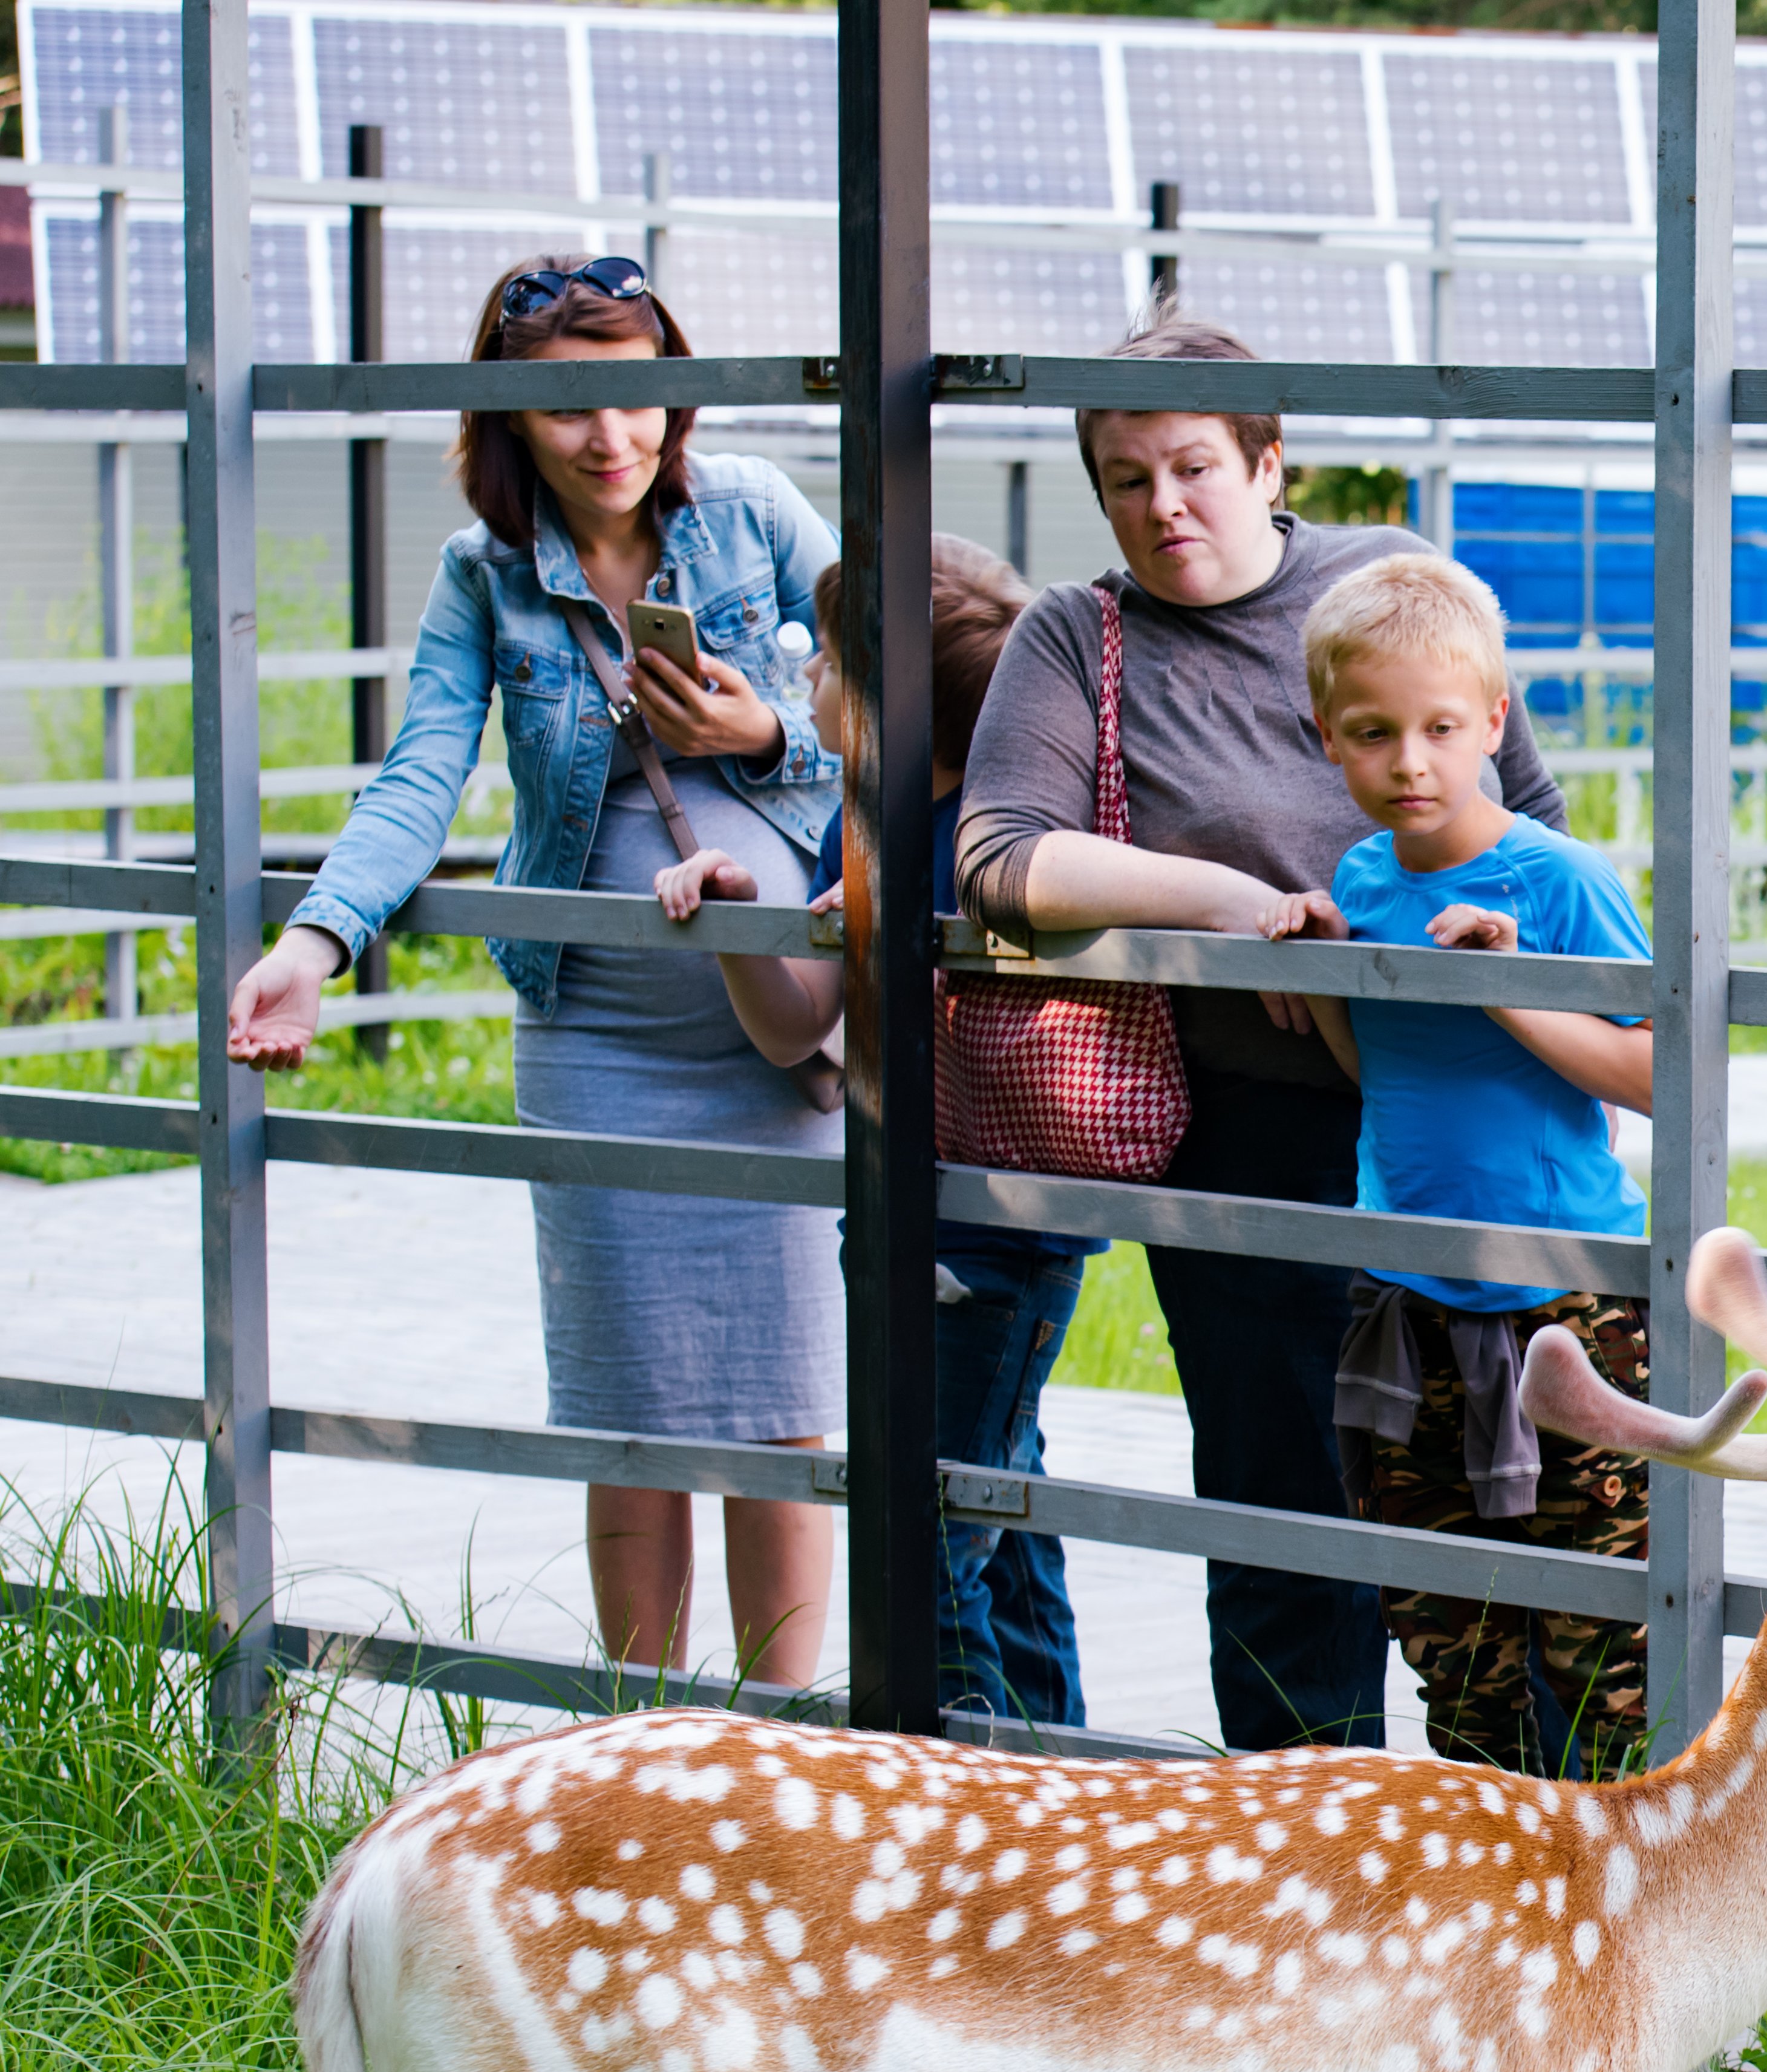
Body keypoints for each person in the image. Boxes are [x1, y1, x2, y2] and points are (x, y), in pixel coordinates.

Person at [954, 312, 1570, 1754]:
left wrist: (1433, 955)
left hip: (1456, 1119)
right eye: (1123, 480)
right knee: (1284, 1516)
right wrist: (1234, 907)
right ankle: (1305, 1884)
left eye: (1191, 469)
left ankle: (1528, 1874)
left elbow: (1534, 832)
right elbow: (1001, 857)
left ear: (1268, 459)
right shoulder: (1077, 634)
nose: (1161, 508)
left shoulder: (1394, 583)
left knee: (1509, 1496)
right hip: (1249, 1135)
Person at [229, 253, 842, 1686]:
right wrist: (315, 942)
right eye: (570, 413)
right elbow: (422, 772)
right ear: (509, 422)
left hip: (780, 1032)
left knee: (780, 1414)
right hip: (598, 1045)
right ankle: (637, 1739)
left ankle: (772, 1744)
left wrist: (766, 741)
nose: (612, 439)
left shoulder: (754, 511)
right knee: (627, 1422)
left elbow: (913, 679)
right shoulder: (483, 576)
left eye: (636, 400)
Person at [655, 536, 1096, 1733]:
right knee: (998, 1502)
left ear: (883, 703)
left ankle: (962, 1782)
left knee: (937, 1523)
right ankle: (1051, 1766)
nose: (803, 689)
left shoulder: (985, 844)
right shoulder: (863, 826)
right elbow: (800, 1028)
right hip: (908, 1219)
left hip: (991, 1241)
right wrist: (754, 925)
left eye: (824, 668)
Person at [1289, 555, 1661, 1776]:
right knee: (1449, 1636)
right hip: (1408, 1301)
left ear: (1494, 721)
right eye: (1373, 733)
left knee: (1599, 1642)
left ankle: (1624, 1920)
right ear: (1326, 739)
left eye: (1442, 728)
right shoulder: (1358, 878)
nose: (1410, 761)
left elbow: (1661, 1074)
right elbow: (1377, 1063)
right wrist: (1328, 961)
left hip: (1568, 1306)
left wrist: (1505, 987)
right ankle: (1487, 1915)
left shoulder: (1558, 880)